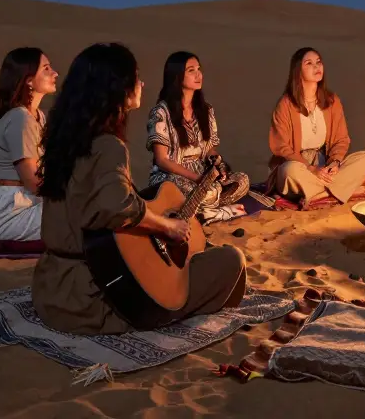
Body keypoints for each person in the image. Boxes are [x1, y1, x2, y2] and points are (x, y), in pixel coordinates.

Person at [32, 43, 246, 334]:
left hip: (52, 291)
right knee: (231, 260)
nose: (142, 83)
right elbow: (114, 205)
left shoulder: (65, 139)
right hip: (95, 300)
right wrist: (166, 227)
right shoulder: (108, 145)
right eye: (135, 77)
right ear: (118, 88)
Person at [146, 52, 250, 222]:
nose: (198, 75)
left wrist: (217, 162)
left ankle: (203, 209)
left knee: (241, 180)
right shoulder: (161, 113)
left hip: (203, 174)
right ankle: (214, 212)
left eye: (199, 69)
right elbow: (162, 160)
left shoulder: (206, 110)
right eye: (191, 70)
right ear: (177, 76)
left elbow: (209, 149)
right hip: (173, 175)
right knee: (186, 190)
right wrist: (197, 179)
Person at [267, 47, 365, 206]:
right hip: (300, 167)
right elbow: (281, 147)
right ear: (298, 70)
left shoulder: (331, 101)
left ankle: (319, 195)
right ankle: (342, 191)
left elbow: (341, 139)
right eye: (309, 63)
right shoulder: (285, 104)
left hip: (325, 166)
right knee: (289, 171)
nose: (316, 67)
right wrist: (311, 169)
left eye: (319, 62)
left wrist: (335, 163)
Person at [0, 47, 57, 241]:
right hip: (12, 211)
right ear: (29, 80)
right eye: (47, 69)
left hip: (29, 202)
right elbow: (34, 183)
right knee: (81, 216)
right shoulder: (20, 119)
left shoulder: (38, 116)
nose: (55, 73)